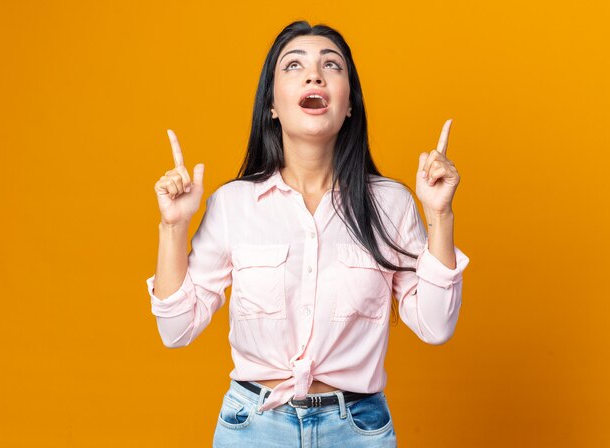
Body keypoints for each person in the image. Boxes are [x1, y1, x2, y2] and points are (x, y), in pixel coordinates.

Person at [146, 20, 470, 447]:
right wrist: (173, 226)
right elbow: (177, 329)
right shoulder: (233, 205)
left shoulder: (390, 203)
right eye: (294, 65)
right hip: (253, 430)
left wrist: (440, 214)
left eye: (331, 65)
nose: (314, 74)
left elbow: (435, 325)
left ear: (349, 103)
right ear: (272, 106)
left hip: (358, 431)